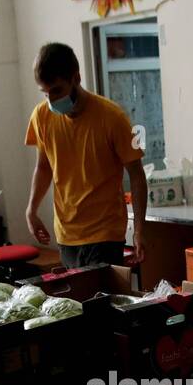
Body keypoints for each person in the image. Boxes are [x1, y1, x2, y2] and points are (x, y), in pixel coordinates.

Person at [25, 43, 147, 269]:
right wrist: (31, 209)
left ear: (76, 78)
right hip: (66, 233)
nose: (51, 100)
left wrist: (139, 230)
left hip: (105, 233)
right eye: (46, 93)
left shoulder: (113, 117)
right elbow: (43, 167)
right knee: (74, 303)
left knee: (98, 302)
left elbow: (137, 175)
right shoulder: (41, 117)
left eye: (57, 91)